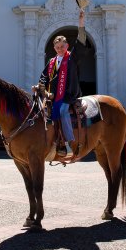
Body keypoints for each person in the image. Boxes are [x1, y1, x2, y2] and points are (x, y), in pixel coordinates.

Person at [38, 10, 86, 157]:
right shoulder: (51, 62)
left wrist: (81, 23)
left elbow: (81, 42)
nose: (60, 49)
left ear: (67, 46)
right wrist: (42, 89)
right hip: (52, 96)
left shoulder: (71, 58)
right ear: (54, 48)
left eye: (62, 46)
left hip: (68, 95)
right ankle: (48, 142)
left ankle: (69, 142)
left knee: (63, 110)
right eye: (57, 47)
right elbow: (43, 78)